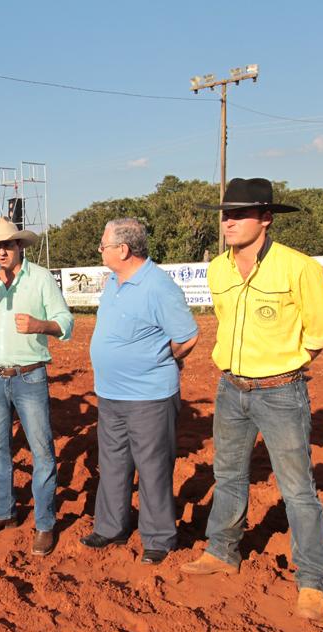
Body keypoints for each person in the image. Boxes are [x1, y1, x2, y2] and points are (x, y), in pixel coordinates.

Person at [181, 178, 323, 622]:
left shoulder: (298, 267)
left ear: (266, 218)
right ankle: (222, 551)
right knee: (228, 474)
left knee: (298, 489)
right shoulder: (218, 270)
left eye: (239, 213)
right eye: (225, 214)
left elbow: (320, 331)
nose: (228, 221)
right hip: (230, 388)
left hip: (281, 391)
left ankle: (311, 579)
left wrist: (287, 365)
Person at [82, 218, 199, 564]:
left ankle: (159, 537)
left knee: (152, 466)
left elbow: (188, 336)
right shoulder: (113, 282)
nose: (99, 249)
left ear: (123, 249)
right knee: (113, 462)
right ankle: (111, 526)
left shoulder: (158, 286)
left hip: (149, 395)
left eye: (103, 244)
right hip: (110, 393)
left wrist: (159, 359)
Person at [0, 217, 73, 556]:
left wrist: (41, 325)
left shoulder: (39, 278)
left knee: (42, 452)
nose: (1, 251)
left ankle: (44, 524)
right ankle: (1, 513)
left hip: (30, 375)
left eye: (7, 245)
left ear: (19, 246)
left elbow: (66, 322)